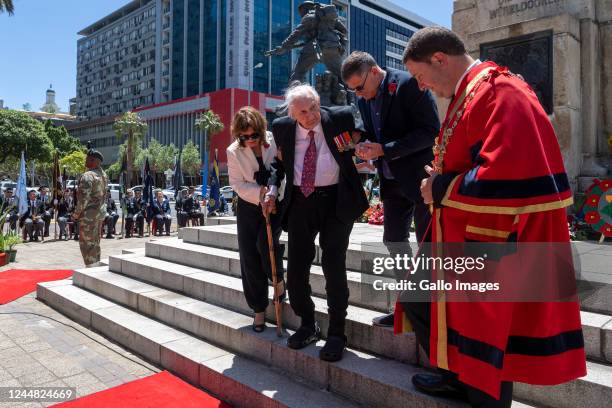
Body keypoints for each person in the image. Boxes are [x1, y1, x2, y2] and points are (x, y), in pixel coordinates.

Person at [397, 26, 586, 406]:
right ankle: (454, 376)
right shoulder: (471, 92)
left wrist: (441, 186)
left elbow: (509, 172)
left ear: (439, 59)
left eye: (420, 76)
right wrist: (440, 180)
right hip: (455, 230)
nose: (421, 87)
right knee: (418, 301)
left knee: (485, 333)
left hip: (490, 236)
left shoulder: (501, 90)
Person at [341, 51, 440, 327]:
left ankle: (433, 314)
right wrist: (366, 147)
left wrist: (385, 149)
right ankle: (409, 306)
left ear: (374, 72)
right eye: (353, 91)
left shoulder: (408, 84)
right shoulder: (364, 99)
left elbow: (430, 131)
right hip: (390, 180)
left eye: (359, 88)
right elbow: (377, 135)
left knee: (427, 244)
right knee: (394, 239)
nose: (358, 95)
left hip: (421, 181)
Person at [272, 84, 368, 361]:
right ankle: (307, 323)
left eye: (314, 107)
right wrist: (270, 189)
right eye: (303, 111)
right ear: (292, 113)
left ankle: (337, 333)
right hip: (301, 201)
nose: (311, 114)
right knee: (297, 268)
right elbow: (279, 164)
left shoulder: (340, 117)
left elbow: (365, 135)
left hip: (337, 200)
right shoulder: (282, 128)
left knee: (333, 264)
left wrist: (359, 143)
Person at [227, 106, 286, 332]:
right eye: (244, 137)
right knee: (249, 256)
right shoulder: (233, 151)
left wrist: (271, 195)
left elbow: (284, 170)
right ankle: (258, 309)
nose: (250, 140)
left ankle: (279, 282)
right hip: (249, 205)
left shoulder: (274, 140)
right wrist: (259, 195)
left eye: (254, 135)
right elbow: (237, 184)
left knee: (266, 244)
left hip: (276, 201)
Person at [266, 1, 347, 85]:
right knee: (341, 76)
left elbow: (295, 35)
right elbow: (344, 30)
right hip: (333, 48)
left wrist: (283, 47)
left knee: (298, 74)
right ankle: (349, 96)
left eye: (301, 12)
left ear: (305, 9)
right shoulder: (329, 18)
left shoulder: (308, 18)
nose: (301, 14)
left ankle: (294, 94)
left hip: (315, 48)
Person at [73, 148, 108, 266]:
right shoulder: (103, 175)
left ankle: (91, 270)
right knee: (95, 243)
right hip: (99, 215)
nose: (85, 161)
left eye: (87, 159)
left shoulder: (88, 176)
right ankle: (95, 266)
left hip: (88, 216)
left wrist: (76, 214)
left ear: (93, 160)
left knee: (87, 245)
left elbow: (83, 199)